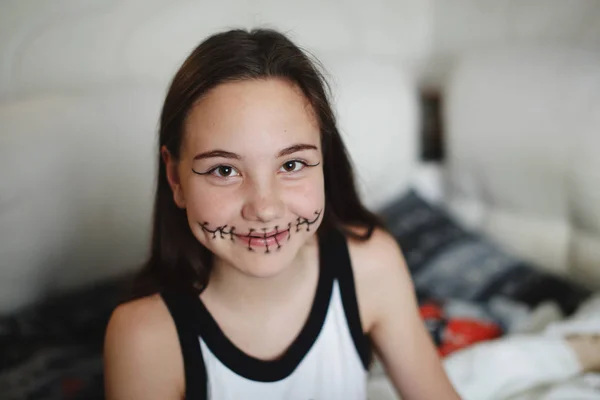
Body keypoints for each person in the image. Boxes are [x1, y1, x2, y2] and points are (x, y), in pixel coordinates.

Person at [103, 28, 461, 400]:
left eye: (291, 164)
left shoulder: (370, 267)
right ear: (176, 178)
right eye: (225, 170)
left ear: (325, 160)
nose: (265, 207)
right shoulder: (144, 338)